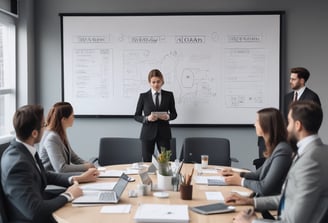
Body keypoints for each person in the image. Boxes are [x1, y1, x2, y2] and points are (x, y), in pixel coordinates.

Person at [225, 101, 328, 223]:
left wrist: (252, 221)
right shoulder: (318, 151)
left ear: (298, 125)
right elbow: (289, 198)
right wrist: (251, 202)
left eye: (289, 122)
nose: (286, 128)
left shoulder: (310, 161)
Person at [1, 104, 99, 223]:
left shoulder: (24, 149)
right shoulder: (17, 164)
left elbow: (45, 174)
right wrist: (68, 195)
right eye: (44, 125)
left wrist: (75, 179)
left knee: (86, 200)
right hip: (31, 218)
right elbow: (34, 212)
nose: (46, 127)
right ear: (34, 133)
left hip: (40, 201)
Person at [222, 108, 292, 196]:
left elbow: (264, 188)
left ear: (266, 125)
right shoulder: (275, 147)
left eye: (257, 121)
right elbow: (257, 175)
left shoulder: (282, 150)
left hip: (270, 203)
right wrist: (236, 173)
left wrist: (240, 181)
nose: (254, 124)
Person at [134, 69, 177, 162]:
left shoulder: (169, 95)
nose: (156, 84)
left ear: (162, 81)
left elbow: (174, 114)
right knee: (147, 162)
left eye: (158, 82)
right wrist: (147, 118)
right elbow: (136, 116)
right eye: (153, 82)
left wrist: (168, 117)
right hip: (147, 134)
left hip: (164, 133)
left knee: (165, 161)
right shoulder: (143, 96)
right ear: (149, 82)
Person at [39, 102, 95, 173]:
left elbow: (73, 157)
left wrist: (89, 164)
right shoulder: (52, 137)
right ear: (63, 120)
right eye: (72, 116)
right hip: (51, 180)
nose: (73, 118)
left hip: (60, 177)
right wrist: (86, 167)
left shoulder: (60, 133)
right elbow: (61, 168)